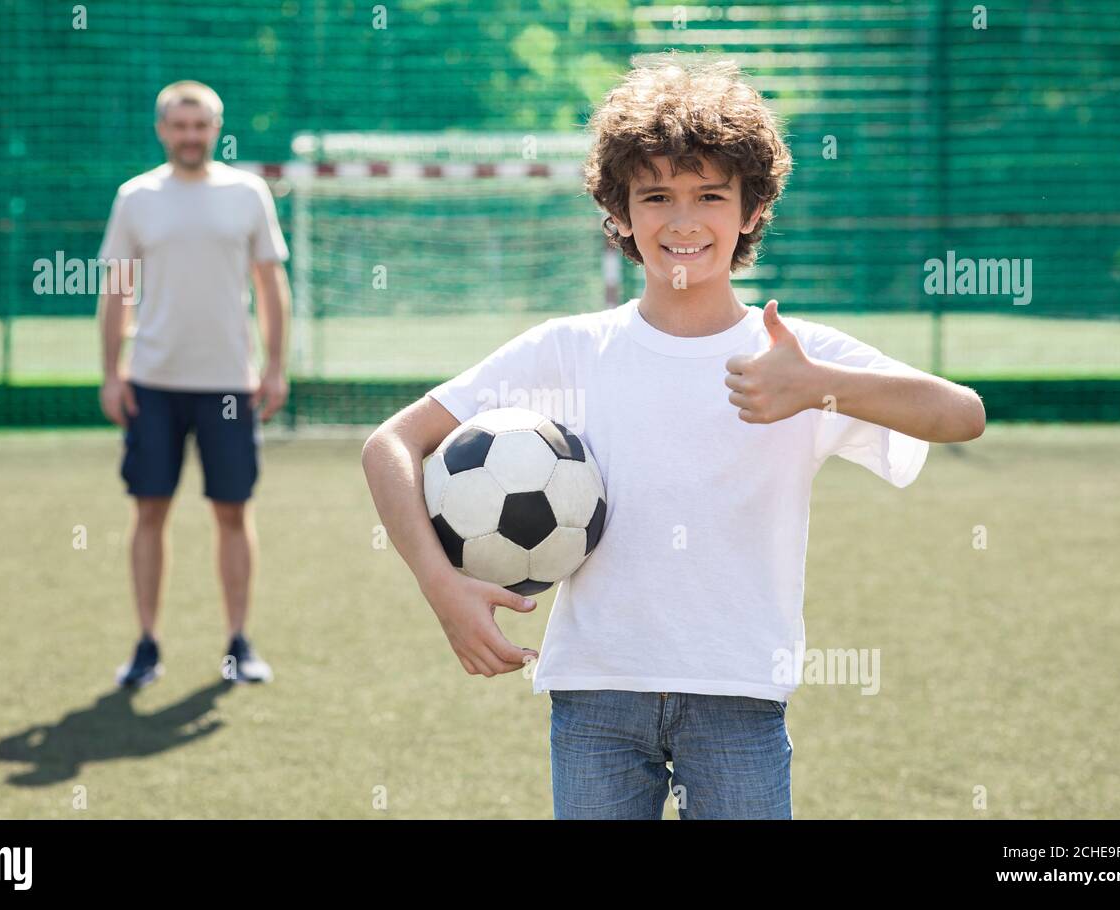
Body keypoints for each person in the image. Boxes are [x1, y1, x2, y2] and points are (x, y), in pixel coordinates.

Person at [360, 53, 985, 818]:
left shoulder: (792, 354)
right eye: (655, 196)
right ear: (620, 214)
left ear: (752, 209)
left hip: (740, 697)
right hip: (595, 696)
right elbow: (390, 444)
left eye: (710, 195)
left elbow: (962, 414)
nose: (682, 221)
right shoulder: (568, 349)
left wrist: (821, 385)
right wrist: (441, 586)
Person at [96, 80, 292, 688]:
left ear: (216, 128)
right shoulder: (136, 197)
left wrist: (275, 365)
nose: (190, 136)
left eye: (200, 126)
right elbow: (118, 291)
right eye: (179, 126)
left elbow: (270, 288)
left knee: (232, 511)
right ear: (162, 130)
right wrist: (110, 372)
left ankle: (237, 643)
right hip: (152, 382)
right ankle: (148, 645)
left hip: (229, 386)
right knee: (149, 509)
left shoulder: (248, 193)